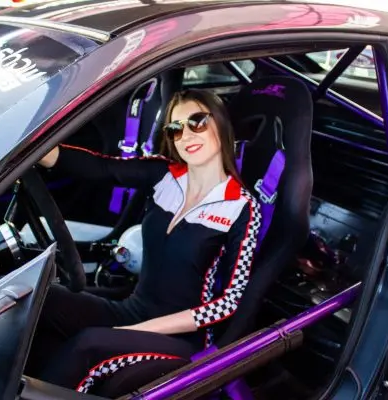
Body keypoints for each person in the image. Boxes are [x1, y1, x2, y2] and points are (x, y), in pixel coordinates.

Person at [28, 89, 262, 393]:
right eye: (175, 128)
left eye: (198, 122)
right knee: (44, 300)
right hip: (133, 309)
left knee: (89, 344)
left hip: (181, 339)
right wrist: (32, 148)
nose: (186, 135)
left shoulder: (241, 207)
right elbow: (102, 168)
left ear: (220, 122)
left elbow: (228, 304)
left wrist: (138, 330)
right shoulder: (165, 175)